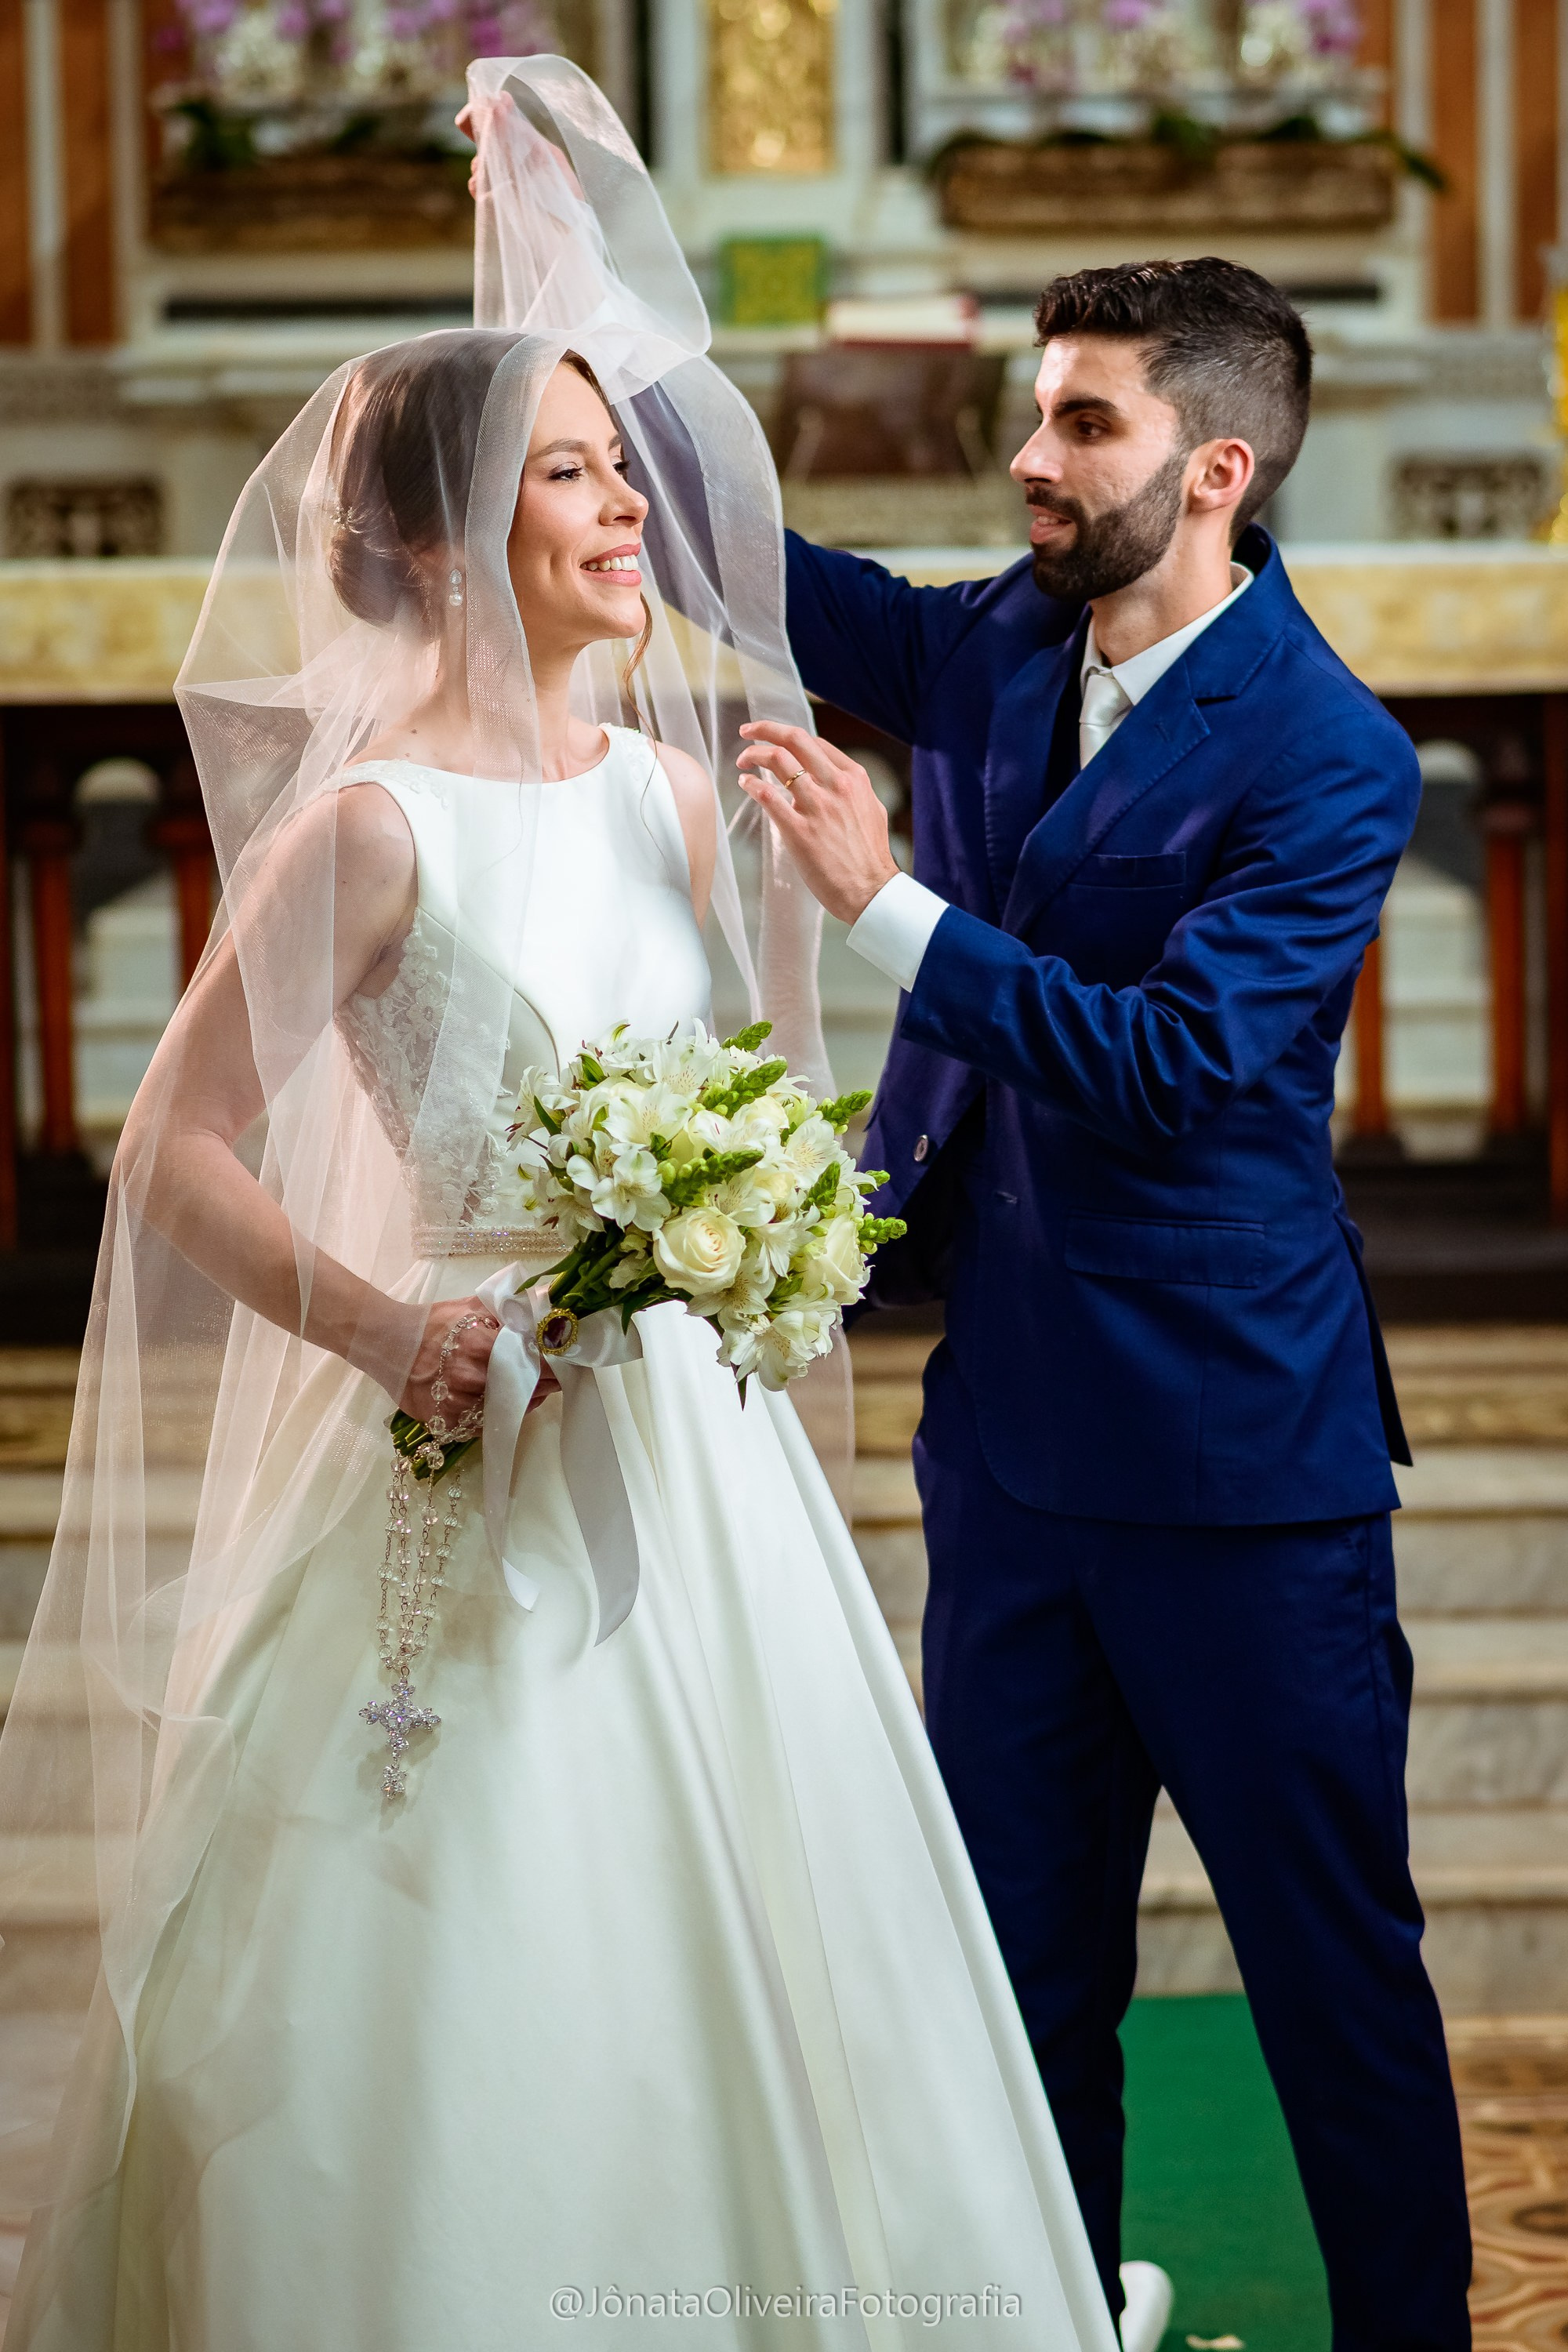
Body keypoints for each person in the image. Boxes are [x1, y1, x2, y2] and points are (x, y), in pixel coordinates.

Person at [0, 62, 1119, 2351]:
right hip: (467, 1428)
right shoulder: (374, 828)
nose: (630, 513)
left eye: (624, 470)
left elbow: (762, 1112)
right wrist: (383, 1322)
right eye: (577, 474)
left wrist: (814, 982)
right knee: (468, 1937)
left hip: (696, 1467)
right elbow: (176, 1149)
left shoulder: (676, 801)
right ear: (442, 535)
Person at [739, 258, 1472, 2350]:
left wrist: (882, 903)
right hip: (1012, 1455)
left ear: (1216, 469)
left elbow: (1168, 1064)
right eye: (1035, 415)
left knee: (1331, 1978)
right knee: (1021, 1973)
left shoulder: (1335, 760)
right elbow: (743, 556)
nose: (1028, 461)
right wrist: (578, 330)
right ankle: (1058, 2321)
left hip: (1244, 1472)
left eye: (1083, 426)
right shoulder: (988, 640)